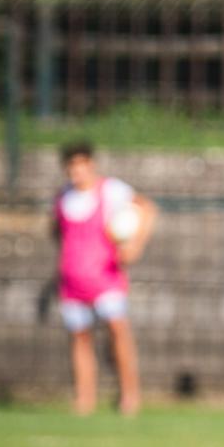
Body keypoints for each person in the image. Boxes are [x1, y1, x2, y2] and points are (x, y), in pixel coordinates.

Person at [53, 142, 157, 416]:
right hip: (72, 282)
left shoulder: (111, 190)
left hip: (106, 277)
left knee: (118, 333)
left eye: (81, 164)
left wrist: (135, 244)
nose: (77, 170)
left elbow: (147, 209)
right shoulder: (63, 197)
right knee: (80, 338)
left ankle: (129, 397)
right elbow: (58, 234)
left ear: (91, 164)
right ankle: (85, 399)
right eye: (71, 165)